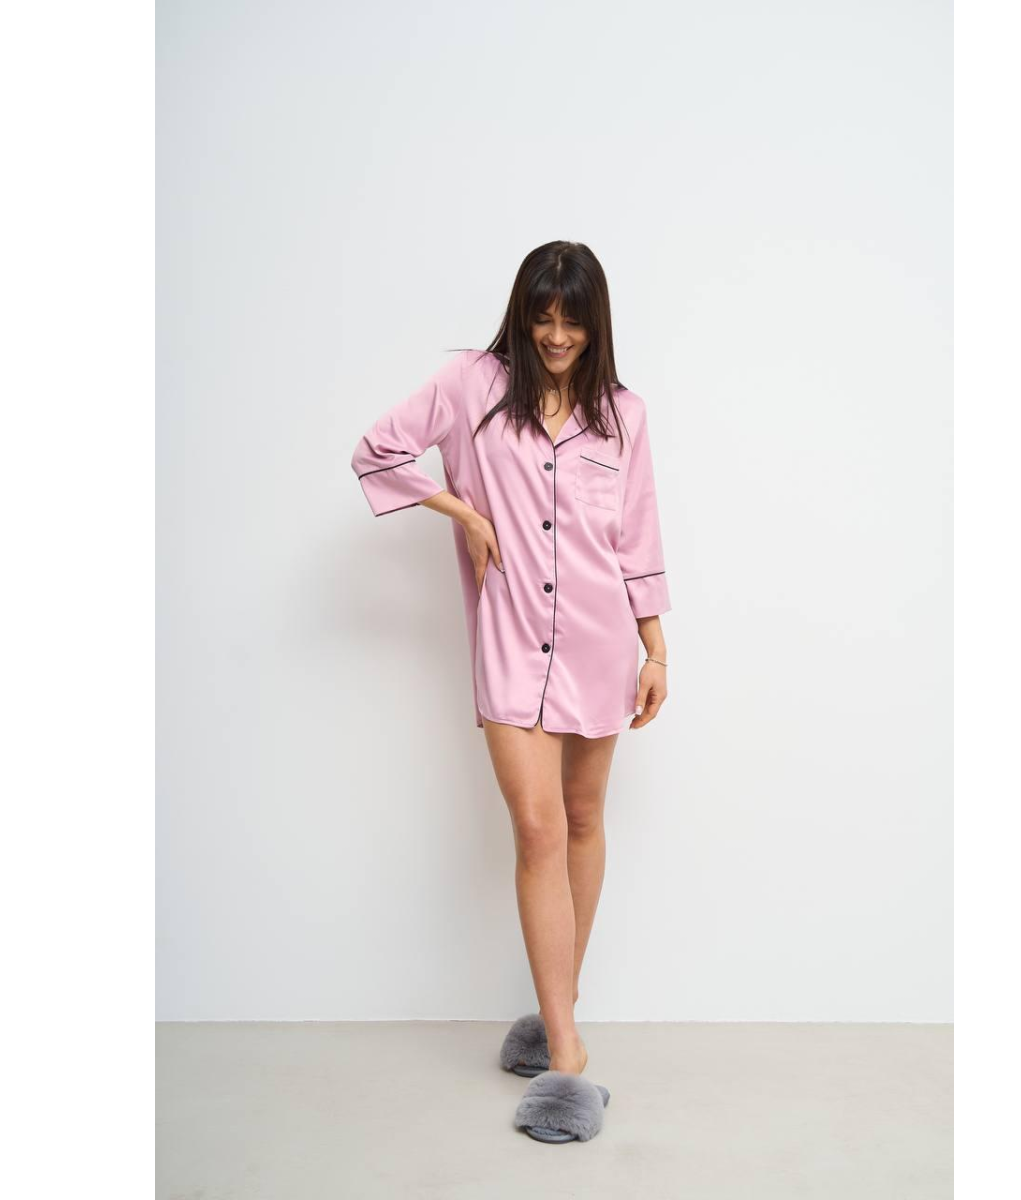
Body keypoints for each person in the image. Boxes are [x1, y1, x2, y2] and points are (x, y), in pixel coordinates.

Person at [350, 241, 671, 1142]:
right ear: (522, 315)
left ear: (596, 323)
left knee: (582, 819)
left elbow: (637, 536)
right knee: (536, 828)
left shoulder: (624, 415)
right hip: (511, 643)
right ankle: (567, 1057)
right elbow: (376, 451)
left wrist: (656, 649)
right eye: (543, 317)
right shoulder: (471, 386)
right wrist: (460, 509)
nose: (557, 336)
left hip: (602, 642)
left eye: (573, 321)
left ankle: (555, 1010)